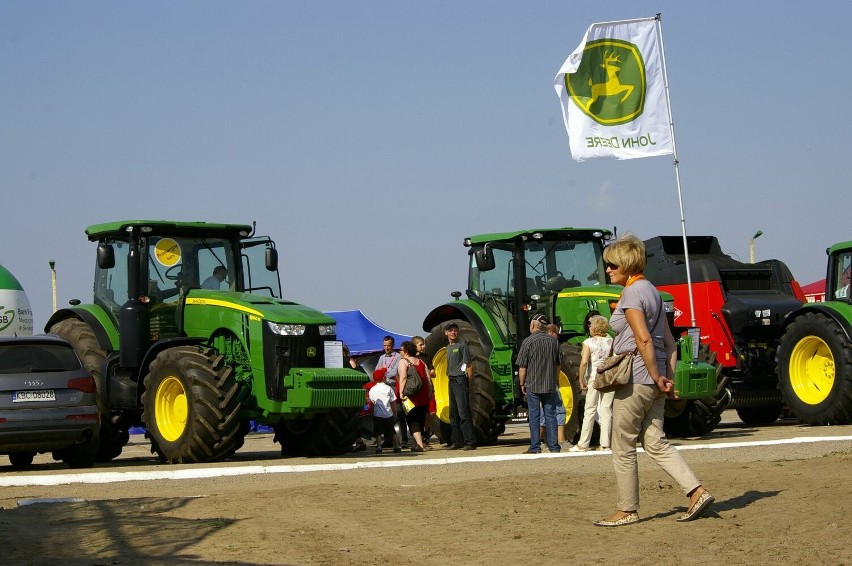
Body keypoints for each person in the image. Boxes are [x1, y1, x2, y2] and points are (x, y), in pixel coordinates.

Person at [594, 234, 713, 527]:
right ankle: (697, 491)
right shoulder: (654, 293)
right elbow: (670, 343)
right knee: (655, 442)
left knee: (621, 444)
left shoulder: (633, 294)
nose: (607, 269)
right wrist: (666, 378)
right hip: (654, 378)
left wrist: (657, 376)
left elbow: (643, 338)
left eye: (612, 264)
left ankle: (627, 509)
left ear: (625, 263)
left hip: (637, 377)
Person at [517, 313, 562, 454]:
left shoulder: (528, 342)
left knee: (535, 416)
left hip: (533, 384)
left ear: (532, 325)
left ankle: (535, 446)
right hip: (549, 384)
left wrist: (521, 383)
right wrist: (555, 380)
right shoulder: (554, 342)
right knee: (551, 415)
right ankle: (554, 446)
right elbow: (558, 365)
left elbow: (522, 366)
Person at [572, 314, 614, 452]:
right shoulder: (610, 341)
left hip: (594, 377)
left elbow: (584, 362)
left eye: (590, 324)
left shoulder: (588, 342)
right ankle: (606, 443)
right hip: (607, 377)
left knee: (590, 410)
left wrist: (581, 378)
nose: (589, 327)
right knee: (606, 409)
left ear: (595, 326)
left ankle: (583, 443)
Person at [445, 322, 476, 450]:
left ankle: (470, 441)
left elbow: (469, 366)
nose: (453, 333)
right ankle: (457, 441)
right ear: (446, 332)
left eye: (455, 330)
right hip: (451, 380)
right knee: (453, 413)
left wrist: (469, 383)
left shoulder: (462, 345)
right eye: (450, 330)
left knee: (463, 412)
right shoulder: (447, 347)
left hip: (460, 380)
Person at [397, 341, 433, 452]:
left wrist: (401, 392)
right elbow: (428, 379)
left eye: (401, 350)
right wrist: (430, 393)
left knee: (412, 419)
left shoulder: (403, 362)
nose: (400, 352)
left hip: (411, 395)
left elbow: (403, 377)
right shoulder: (421, 362)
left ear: (406, 351)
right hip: (423, 393)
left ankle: (419, 444)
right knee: (421, 418)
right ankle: (418, 442)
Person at [542, 324, 567, 446]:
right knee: (559, 408)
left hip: (538, 382)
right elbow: (558, 365)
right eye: (557, 335)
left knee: (542, 410)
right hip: (550, 381)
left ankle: (541, 440)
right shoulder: (554, 345)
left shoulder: (537, 343)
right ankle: (561, 439)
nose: (558, 337)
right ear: (552, 332)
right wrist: (556, 379)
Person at [368, 370, 401, 454]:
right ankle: (397, 446)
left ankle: (379, 447)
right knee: (392, 430)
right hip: (388, 413)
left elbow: (372, 402)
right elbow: (392, 402)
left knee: (378, 432)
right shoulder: (388, 388)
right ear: (383, 378)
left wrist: (372, 411)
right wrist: (395, 412)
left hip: (377, 414)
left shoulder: (372, 389)